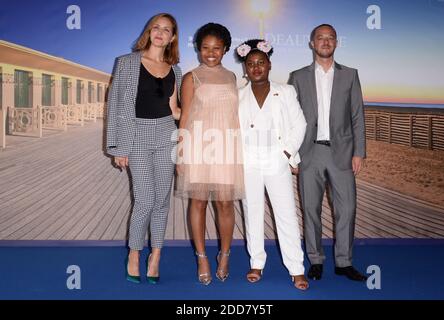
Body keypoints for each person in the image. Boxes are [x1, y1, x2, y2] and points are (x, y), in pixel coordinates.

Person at [105, 13, 182, 284]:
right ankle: (135, 253)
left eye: (167, 29)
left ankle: (156, 256)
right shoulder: (126, 63)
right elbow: (114, 106)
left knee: (162, 201)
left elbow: (174, 110)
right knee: (145, 199)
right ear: (149, 31)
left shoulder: (176, 69)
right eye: (156, 27)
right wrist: (117, 147)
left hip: (166, 135)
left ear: (173, 37)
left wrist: (203, 117)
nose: (160, 33)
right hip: (136, 136)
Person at [288, 24, 367, 282]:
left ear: (336, 42)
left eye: (330, 37)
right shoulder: (297, 76)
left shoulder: (350, 75)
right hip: (309, 152)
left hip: (342, 152)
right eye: (320, 38)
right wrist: (292, 153)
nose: (325, 41)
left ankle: (344, 262)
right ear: (312, 43)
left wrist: (359, 152)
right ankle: (316, 260)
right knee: (310, 209)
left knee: (347, 209)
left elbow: (357, 116)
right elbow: (291, 117)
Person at [236, 39, 309, 290]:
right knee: (252, 212)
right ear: (245, 68)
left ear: (269, 65)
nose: (256, 67)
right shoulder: (238, 95)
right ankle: (256, 262)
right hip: (248, 162)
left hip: (276, 159)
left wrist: (286, 152)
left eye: (261, 63)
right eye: (251, 63)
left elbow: (300, 124)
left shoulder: (285, 91)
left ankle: (296, 268)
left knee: (286, 214)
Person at [176, 23, 245, 285]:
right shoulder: (191, 77)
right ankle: (202, 256)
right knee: (199, 202)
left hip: (227, 146)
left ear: (225, 49)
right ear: (198, 49)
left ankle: (225, 255)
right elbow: (185, 118)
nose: (211, 53)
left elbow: (233, 116)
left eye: (216, 48)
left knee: (226, 204)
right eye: (205, 48)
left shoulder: (231, 77)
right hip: (199, 146)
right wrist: (181, 151)